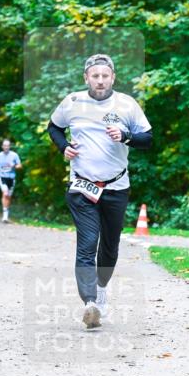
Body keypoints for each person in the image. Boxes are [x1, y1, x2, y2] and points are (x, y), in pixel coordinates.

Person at [46, 54, 152, 328]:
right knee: (87, 242)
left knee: (110, 247)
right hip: (82, 186)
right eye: (95, 76)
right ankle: (90, 303)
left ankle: (101, 289)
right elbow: (54, 127)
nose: (100, 80)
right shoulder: (73, 102)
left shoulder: (127, 104)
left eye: (105, 75)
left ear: (113, 77)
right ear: (86, 78)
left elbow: (148, 139)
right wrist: (63, 147)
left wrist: (126, 136)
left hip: (116, 186)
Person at [0, 139, 22, 223]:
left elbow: (20, 165)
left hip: (11, 178)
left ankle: (6, 212)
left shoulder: (14, 155)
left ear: (10, 146)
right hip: (2, 177)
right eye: (5, 145)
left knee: (8, 196)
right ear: (2, 146)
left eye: (8, 146)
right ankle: (5, 215)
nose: (6, 147)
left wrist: (14, 166)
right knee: (5, 193)